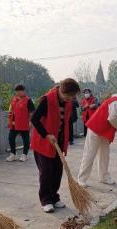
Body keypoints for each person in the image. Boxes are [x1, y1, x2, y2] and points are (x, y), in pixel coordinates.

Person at [30, 79, 80, 213]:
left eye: (72, 97)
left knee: (57, 171)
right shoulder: (47, 100)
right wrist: (46, 134)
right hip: (43, 143)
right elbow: (34, 119)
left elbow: (67, 121)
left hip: (58, 143)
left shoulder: (68, 102)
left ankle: (54, 196)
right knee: (46, 172)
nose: (69, 99)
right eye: (68, 96)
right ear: (62, 91)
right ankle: (45, 199)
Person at [77, 87, 117, 187]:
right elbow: (112, 118)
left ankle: (104, 177)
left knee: (104, 155)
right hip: (95, 128)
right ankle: (82, 179)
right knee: (89, 154)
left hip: (105, 131)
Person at [6, 85, 35, 162]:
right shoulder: (13, 100)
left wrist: (30, 122)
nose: (18, 93)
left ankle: (24, 154)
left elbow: (32, 112)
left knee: (25, 140)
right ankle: (13, 154)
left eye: (19, 91)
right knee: (11, 138)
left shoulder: (28, 100)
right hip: (14, 124)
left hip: (24, 123)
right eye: (16, 91)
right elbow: (10, 111)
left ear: (23, 91)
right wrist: (9, 121)